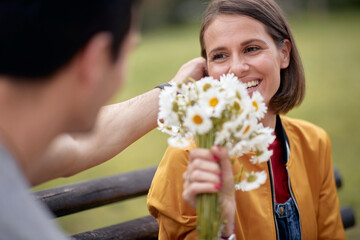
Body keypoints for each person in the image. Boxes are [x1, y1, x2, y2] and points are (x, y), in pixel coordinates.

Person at [0, 0, 204, 239]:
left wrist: (172, 93)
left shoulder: (17, 145)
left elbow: (78, 145)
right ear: (95, 60)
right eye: (129, 52)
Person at [147, 0, 346, 239]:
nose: (237, 68)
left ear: (284, 54)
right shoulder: (191, 159)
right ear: (208, 71)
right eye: (220, 55)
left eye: (251, 48)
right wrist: (220, 229)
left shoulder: (314, 143)